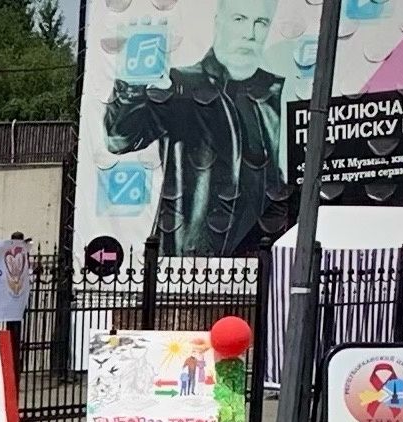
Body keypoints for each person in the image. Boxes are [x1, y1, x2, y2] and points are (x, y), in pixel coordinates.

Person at [103, 0, 286, 257]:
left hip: (263, 258)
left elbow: (281, 182)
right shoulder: (179, 85)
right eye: (239, 19)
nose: (250, 33)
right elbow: (119, 140)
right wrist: (132, 87)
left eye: (261, 22)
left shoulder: (276, 92)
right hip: (187, 259)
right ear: (218, 22)